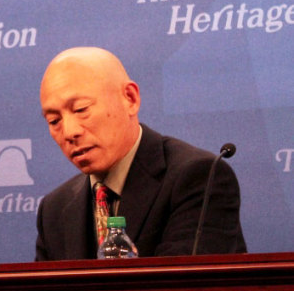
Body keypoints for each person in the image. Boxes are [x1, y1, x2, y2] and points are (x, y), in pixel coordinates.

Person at [35, 47, 246, 260]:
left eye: (81, 109)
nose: (70, 132)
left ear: (130, 98)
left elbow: (183, 287)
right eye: (54, 121)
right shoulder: (54, 209)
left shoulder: (198, 178)